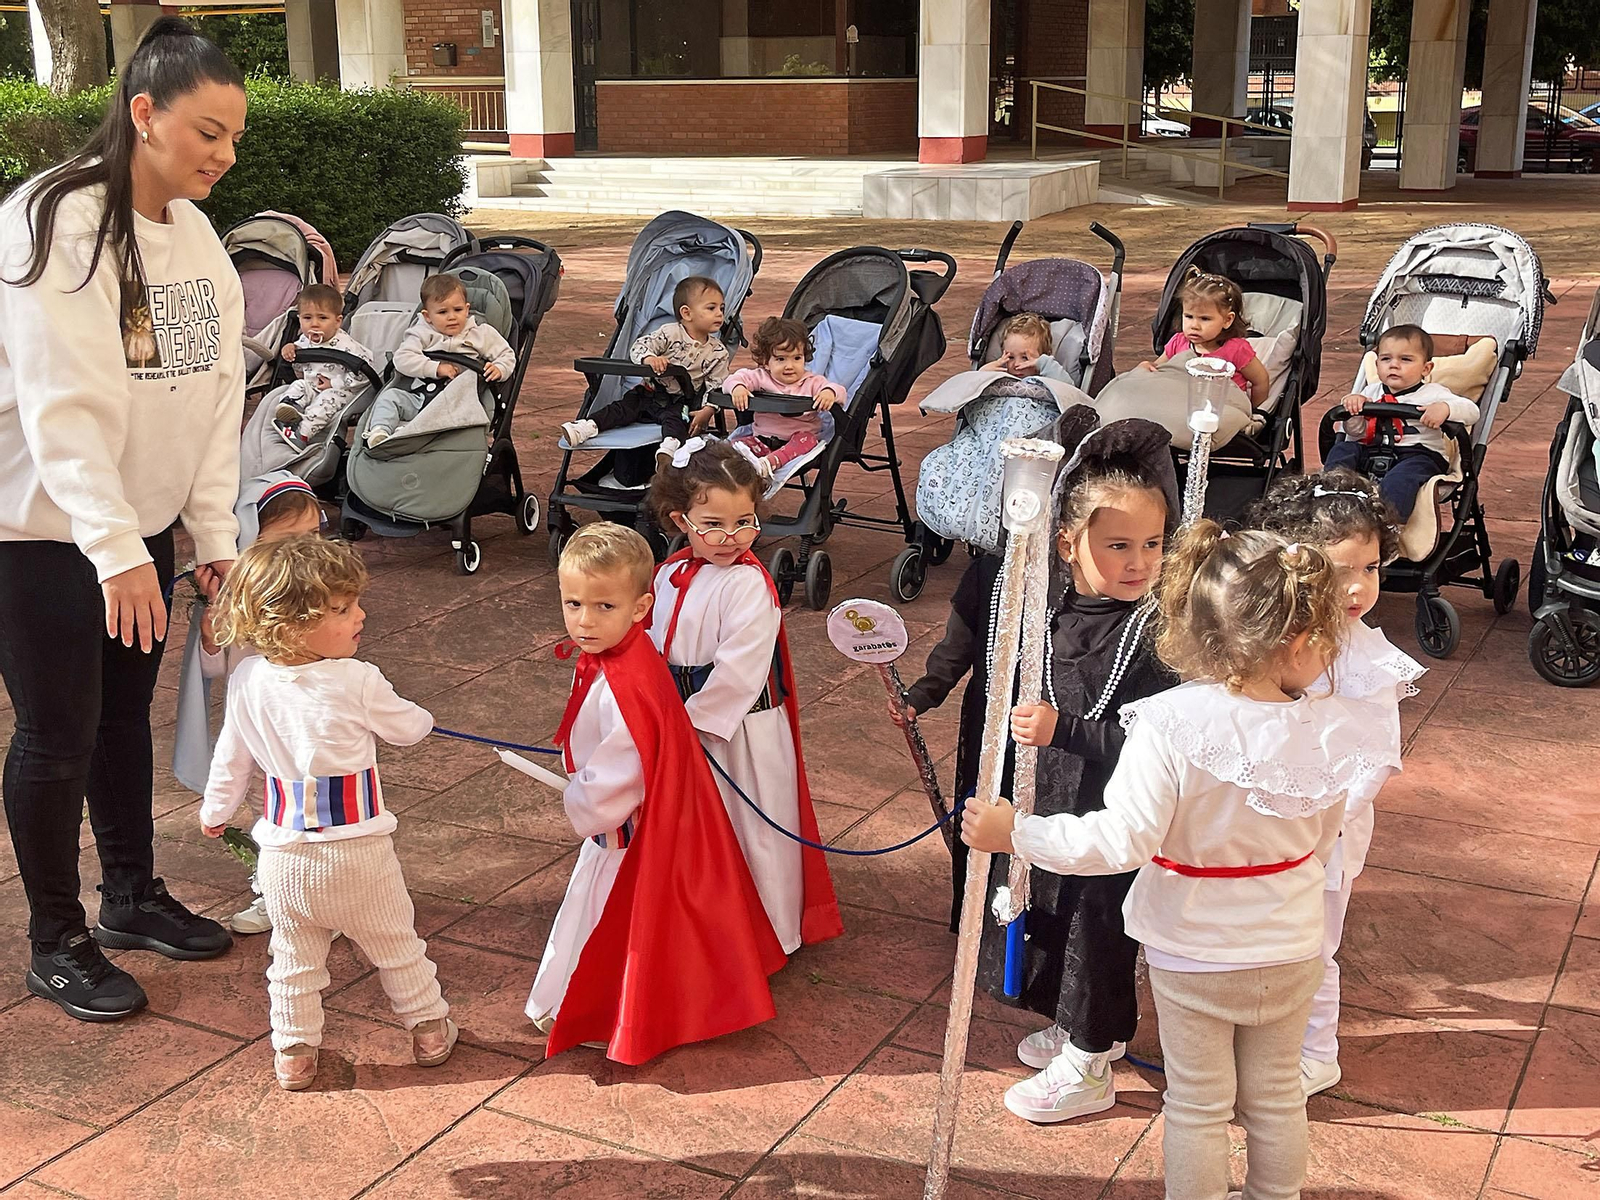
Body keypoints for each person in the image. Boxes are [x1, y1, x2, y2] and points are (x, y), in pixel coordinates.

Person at [962, 523, 1397, 1200]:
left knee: (1198, 1104)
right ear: (1298, 640)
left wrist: (1018, 833)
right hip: (1290, 946)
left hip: (1195, 950)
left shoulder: (1169, 723)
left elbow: (1118, 843)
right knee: (1277, 1098)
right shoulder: (1330, 726)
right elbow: (1324, 836)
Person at [0, 17, 247, 1022]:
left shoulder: (191, 233)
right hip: (39, 529)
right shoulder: (55, 219)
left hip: (130, 529)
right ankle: (53, 940)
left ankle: (130, 898)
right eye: (207, 133)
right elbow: (68, 402)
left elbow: (210, 387)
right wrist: (114, 546)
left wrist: (213, 536)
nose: (224, 157)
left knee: (118, 721)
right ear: (143, 114)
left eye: (235, 139)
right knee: (57, 734)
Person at [200, 534, 456, 1091]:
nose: (359, 615)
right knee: (396, 944)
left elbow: (232, 756)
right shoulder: (357, 678)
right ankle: (429, 1029)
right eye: (341, 609)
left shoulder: (246, 679)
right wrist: (425, 718)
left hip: (284, 856)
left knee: (292, 961)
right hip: (359, 852)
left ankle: (293, 1053)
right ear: (290, 623)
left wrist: (215, 809)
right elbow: (408, 729)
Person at [980, 417, 1180, 1124]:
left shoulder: (1156, 633)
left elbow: (1164, 746)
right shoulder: (1055, 610)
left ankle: (1092, 1062)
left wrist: (1064, 729)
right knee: (1058, 919)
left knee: (1100, 930)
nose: (1138, 562)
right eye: (1118, 544)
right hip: (1059, 803)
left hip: (1114, 816)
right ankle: (1078, 1030)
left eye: (1152, 545)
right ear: (1067, 546)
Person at [525, 522, 785, 1064]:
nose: (584, 621)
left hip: (623, 833)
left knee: (609, 922)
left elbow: (621, 771)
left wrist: (580, 802)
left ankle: (605, 1011)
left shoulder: (625, 683)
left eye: (603, 607)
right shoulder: (631, 658)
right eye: (573, 604)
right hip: (637, 823)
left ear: (642, 606)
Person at [1248, 468, 1422, 1098]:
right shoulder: (1271, 638)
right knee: (1264, 936)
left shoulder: (1367, 658)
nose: (1357, 587)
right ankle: (1268, 1037)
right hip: (1267, 819)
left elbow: (1373, 759)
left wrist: (1323, 825)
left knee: (1313, 944)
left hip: (1329, 830)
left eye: (1371, 568)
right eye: (1339, 569)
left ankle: (1317, 1051)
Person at [647, 439, 843, 954]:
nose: (731, 537)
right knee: (701, 830)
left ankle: (768, 933)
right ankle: (706, 928)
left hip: (740, 731)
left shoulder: (749, 586)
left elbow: (742, 669)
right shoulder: (669, 575)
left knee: (753, 825)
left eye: (744, 520)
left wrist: (691, 726)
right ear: (680, 519)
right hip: (684, 724)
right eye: (712, 522)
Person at [171, 473, 324, 937]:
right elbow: (219, 671)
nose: (302, 552)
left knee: (316, 812)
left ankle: (321, 896)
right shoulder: (235, 600)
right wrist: (217, 623)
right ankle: (276, 891)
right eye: (285, 541)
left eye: (313, 536)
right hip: (263, 737)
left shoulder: (322, 593)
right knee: (271, 814)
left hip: (312, 732)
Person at [559, 276, 730, 467]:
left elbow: (718, 385)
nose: (720, 314)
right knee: (621, 408)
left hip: (679, 401)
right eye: (711, 308)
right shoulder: (669, 333)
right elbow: (639, 346)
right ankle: (587, 427)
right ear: (686, 313)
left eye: (721, 308)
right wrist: (650, 358)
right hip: (648, 393)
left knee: (677, 421)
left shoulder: (718, 352)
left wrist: (707, 411)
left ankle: (668, 451)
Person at [1323, 324, 1479, 520]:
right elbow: (1355, 433)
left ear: (1426, 368)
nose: (1394, 365)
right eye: (1386, 359)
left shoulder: (1434, 393)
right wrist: (1355, 413)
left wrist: (1446, 409)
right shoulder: (1371, 392)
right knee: (1343, 450)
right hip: (1373, 450)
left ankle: (1388, 520)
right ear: (1377, 364)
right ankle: (1331, 495)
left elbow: (1472, 411)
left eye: (1405, 359)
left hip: (1418, 454)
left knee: (1401, 479)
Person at [366, 274, 515, 447]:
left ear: (467, 309)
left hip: (460, 402)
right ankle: (380, 431)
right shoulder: (421, 333)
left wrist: (500, 368)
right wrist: (435, 368)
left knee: (467, 415)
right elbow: (402, 359)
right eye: (443, 312)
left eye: (458, 310)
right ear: (427, 316)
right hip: (421, 397)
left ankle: (411, 432)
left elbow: (507, 354)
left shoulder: (481, 333)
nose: (451, 317)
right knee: (389, 397)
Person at [723, 317, 844, 479]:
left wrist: (830, 393)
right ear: (766, 361)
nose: (789, 366)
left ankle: (769, 464)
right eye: (781, 359)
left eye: (797, 358)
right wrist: (738, 387)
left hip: (797, 442)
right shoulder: (761, 377)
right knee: (733, 447)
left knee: (808, 441)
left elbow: (840, 392)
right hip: (761, 440)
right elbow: (734, 379)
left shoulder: (812, 382)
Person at [1137, 266, 1269, 408]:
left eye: (1204, 319)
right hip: (1183, 405)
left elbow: (1260, 381)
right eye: (1188, 316)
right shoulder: (1178, 341)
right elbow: (1159, 368)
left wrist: (1255, 411)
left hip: (1226, 408)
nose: (1194, 325)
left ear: (1227, 320)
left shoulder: (1236, 349)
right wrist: (1148, 367)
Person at [273, 284, 376, 448]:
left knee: (327, 399)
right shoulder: (305, 341)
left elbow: (366, 375)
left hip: (342, 392)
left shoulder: (347, 346)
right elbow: (299, 368)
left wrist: (333, 384)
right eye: (307, 318)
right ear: (299, 319)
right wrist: (291, 349)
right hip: (313, 386)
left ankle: (303, 433)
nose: (314, 324)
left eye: (322, 318)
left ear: (337, 321)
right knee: (298, 385)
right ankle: (291, 410)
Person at [980, 312, 1076, 381]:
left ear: (1043, 355)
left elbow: (1069, 391)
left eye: (1025, 358)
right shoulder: (1001, 377)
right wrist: (983, 373)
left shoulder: (1048, 378)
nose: (1016, 365)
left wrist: (1044, 363)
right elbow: (972, 392)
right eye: (1010, 357)